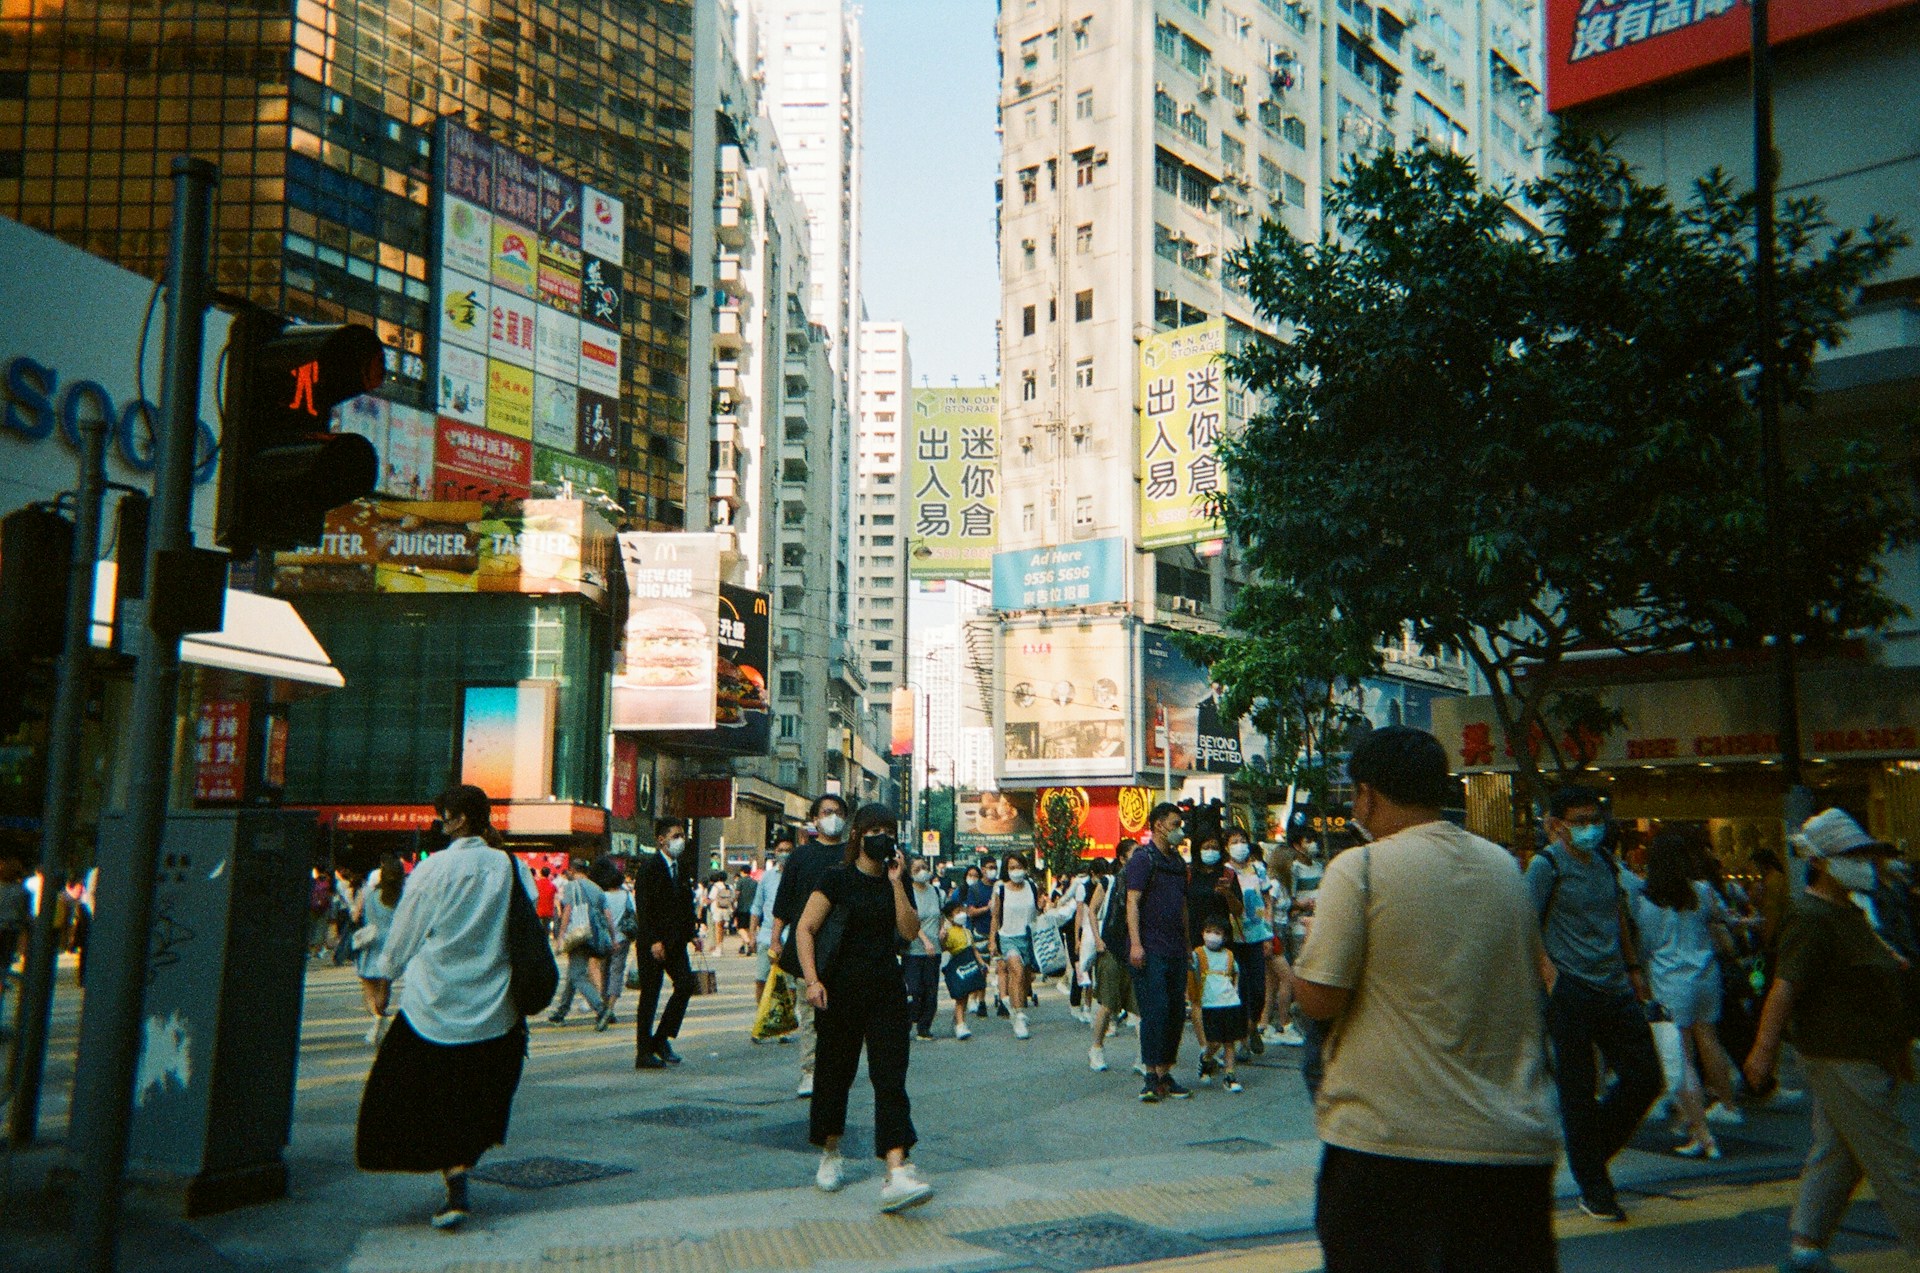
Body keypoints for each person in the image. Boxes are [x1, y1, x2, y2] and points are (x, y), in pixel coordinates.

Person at [1292, 727, 1560, 1272]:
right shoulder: (1504, 867)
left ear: (1366, 794)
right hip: (1511, 1149)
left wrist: (1293, 961)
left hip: (1390, 1148)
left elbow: (1320, 999)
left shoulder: (1360, 868)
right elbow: (1541, 975)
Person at [1745, 808, 1920, 1271]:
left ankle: (1806, 1247)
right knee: (1895, 1163)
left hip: (1864, 1054)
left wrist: (1898, 1048)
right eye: (1853, 854)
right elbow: (1784, 989)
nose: (1866, 863)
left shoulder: (1851, 911)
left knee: (1838, 1154)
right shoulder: (1812, 916)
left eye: (1867, 854)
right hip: (1841, 1057)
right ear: (1821, 861)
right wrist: (1762, 1052)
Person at [356, 785, 536, 1229]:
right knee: (473, 1098)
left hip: (433, 1005)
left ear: (457, 820)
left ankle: (452, 1181)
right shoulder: (508, 866)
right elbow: (525, 921)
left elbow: (405, 934)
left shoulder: (435, 869)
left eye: (444, 815)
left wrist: (385, 969)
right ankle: (458, 1176)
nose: (440, 822)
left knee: (412, 1093)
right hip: (494, 1005)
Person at [1527, 784, 1662, 1222]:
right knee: (1578, 1090)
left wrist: (1633, 969)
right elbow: (1525, 924)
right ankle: (1595, 1186)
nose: (1589, 828)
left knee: (1646, 1077)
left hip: (1615, 987)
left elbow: (1617, 915)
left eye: (1594, 819)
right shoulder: (1546, 866)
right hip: (1571, 992)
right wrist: (1552, 978)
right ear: (1556, 825)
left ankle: (1590, 1149)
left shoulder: (1605, 862)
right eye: (1579, 821)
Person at [795, 804, 935, 1213]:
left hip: (886, 990)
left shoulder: (897, 880)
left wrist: (895, 883)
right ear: (857, 834)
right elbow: (806, 928)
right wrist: (813, 980)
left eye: (886, 829)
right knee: (835, 1074)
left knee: (890, 1076)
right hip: (839, 990)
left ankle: (896, 1168)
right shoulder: (836, 878)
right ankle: (830, 1151)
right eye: (871, 828)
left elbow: (909, 933)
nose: (879, 836)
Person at [1627, 830, 1740, 1160]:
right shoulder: (1702, 891)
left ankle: (1698, 1129)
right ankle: (1726, 1103)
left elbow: (1646, 945)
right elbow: (1718, 921)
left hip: (1670, 981)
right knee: (1709, 1038)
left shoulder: (1648, 901)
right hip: (1706, 974)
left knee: (1681, 1058)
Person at [772, 794, 852, 1096]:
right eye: (826, 812)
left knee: (839, 1014)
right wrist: (776, 939)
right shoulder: (801, 857)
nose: (832, 817)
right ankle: (809, 1071)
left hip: (844, 946)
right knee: (809, 1013)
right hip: (806, 946)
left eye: (838, 812)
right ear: (815, 820)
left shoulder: (852, 855)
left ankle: (834, 1069)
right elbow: (785, 901)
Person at [1128, 803, 1194, 1102]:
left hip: (1176, 948)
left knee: (1176, 1012)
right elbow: (1132, 903)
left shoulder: (1178, 862)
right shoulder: (1143, 859)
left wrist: (1188, 943)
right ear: (1157, 825)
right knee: (1155, 1011)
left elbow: (1182, 906)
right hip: (1151, 947)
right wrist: (1136, 944)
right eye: (1174, 823)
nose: (1179, 829)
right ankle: (1150, 1075)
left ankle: (1165, 1072)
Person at [632, 817, 699, 1068]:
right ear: (661, 840)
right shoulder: (649, 868)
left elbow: (685, 903)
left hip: (676, 941)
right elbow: (644, 909)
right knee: (650, 995)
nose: (681, 840)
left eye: (682, 835)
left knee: (685, 985)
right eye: (676, 835)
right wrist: (653, 941)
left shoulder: (680, 867)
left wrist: (692, 932)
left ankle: (660, 1038)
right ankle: (643, 1051)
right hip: (654, 943)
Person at [1087, 841, 1140, 1073]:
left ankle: (1143, 1056)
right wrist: (1097, 939)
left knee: (1140, 1008)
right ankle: (1096, 1048)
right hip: (1111, 947)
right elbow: (1092, 910)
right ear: (1122, 858)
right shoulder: (1108, 882)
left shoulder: (1142, 882)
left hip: (1134, 949)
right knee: (1108, 1005)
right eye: (1134, 854)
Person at [546, 859, 613, 1030]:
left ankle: (601, 1008)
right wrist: (612, 938)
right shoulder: (597, 888)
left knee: (577, 975)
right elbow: (607, 915)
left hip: (578, 934)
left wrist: (560, 936)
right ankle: (561, 1012)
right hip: (594, 936)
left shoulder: (572, 886)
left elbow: (567, 911)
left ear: (573, 870)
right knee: (573, 973)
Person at [1225, 828, 1273, 1060]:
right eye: (1234, 842)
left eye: (1242, 841)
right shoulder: (1225, 872)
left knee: (1258, 988)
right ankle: (1242, 1037)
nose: (1239, 845)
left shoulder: (1258, 869)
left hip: (1256, 935)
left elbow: (1266, 899)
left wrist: (1268, 932)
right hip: (1233, 938)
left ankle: (1253, 1025)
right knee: (1240, 988)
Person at [989, 851, 1046, 1039]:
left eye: (1019, 867)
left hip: (1028, 938)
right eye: (1012, 867)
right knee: (1017, 972)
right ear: (1006, 870)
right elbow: (995, 916)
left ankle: (1017, 1009)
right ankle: (1018, 1014)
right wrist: (992, 941)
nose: (1016, 871)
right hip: (1008, 937)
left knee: (1026, 977)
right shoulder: (1001, 889)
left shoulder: (1031, 886)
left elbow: (1036, 911)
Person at [353, 854, 406, 1045]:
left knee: (368, 984)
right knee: (385, 985)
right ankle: (379, 1019)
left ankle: (376, 1020)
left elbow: (355, 915)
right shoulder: (403, 895)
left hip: (372, 941)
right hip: (392, 943)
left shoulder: (368, 892)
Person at [1190, 916, 1246, 1092]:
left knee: (1229, 1042)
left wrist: (1235, 990)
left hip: (1229, 1002)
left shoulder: (1228, 955)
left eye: (1217, 932)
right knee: (1214, 1042)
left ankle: (1230, 1076)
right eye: (1208, 932)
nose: (1212, 936)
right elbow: (1191, 973)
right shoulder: (1198, 953)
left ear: (1225, 937)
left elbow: (1236, 972)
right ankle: (1206, 1058)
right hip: (1209, 1003)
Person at [903, 856, 944, 1042]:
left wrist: (943, 929)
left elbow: (940, 915)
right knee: (914, 989)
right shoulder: (908, 893)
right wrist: (924, 940)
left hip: (934, 949)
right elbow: (910, 920)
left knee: (931, 989)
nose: (922, 871)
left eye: (925, 867)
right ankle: (907, 1021)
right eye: (917, 868)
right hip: (914, 949)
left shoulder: (935, 891)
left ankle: (924, 1027)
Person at [750, 833, 791, 1010]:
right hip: (767, 936)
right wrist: (752, 934)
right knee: (761, 979)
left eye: (788, 850)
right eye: (780, 850)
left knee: (790, 984)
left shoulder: (799, 875)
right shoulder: (766, 877)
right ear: (774, 852)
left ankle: (786, 1024)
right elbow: (756, 907)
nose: (784, 854)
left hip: (790, 936)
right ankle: (762, 1019)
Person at [939, 896, 981, 1038]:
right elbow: (944, 948)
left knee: (965, 995)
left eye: (962, 911)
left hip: (969, 964)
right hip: (958, 966)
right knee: (960, 997)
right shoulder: (949, 932)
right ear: (950, 917)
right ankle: (960, 1025)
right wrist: (943, 938)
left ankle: (959, 1020)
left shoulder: (967, 932)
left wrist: (982, 963)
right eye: (957, 912)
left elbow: (974, 949)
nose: (961, 914)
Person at [960, 863, 996, 1018]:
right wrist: (987, 909)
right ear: (983, 869)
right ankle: (979, 999)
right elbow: (970, 912)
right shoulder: (974, 889)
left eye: (994, 866)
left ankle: (1003, 1001)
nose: (992, 870)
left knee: (1003, 968)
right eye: (989, 867)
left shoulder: (999, 887)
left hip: (999, 932)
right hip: (980, 932)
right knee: (982, 968)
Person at [601, 864, 636, 1023]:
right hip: (622, 938)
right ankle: (610, 1007)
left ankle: (603, 1003)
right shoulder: (626, 895)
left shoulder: (603, 896)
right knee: (617, 972)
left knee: (604, 972)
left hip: (605, 939)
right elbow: (633, 914)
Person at [705, 872, 735, 954]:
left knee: (718, 929)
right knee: (722, 929)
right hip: (726, 909)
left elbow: (711, 898)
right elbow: (732, 899)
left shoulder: (716, 886)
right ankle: (721, 946)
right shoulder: (729, 886)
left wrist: (705, 901)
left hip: (717, 909)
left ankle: (718, 948)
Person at [734, 867, 759, 956]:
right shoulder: (755, 882)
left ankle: (749, 943)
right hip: (753, 909)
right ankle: (746, 947)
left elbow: (737, 894)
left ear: (742, 872)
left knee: (740, 928)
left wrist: (733, 903)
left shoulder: (740, 881)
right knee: (749, 929)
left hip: (742, 908)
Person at [534, 866, 557, 938]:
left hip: (538, 911)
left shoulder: (536, 884)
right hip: (548, 912)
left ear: (541, 873)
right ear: (549, 874)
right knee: (546, 932)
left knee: (537, 931)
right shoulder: (553, 885)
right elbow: (555, 898)